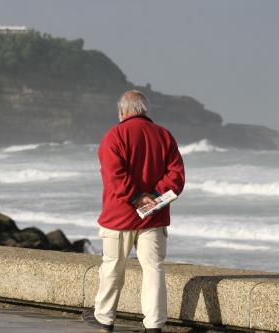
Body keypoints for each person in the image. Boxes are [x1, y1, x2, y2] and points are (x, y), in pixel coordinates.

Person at [82, 90, 185, 333]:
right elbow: (176, 176)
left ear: (123, 111)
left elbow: (114, 176)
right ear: (144, 110)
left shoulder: (114, 135)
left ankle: (105, 319)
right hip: (155, 217)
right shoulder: (164, 135)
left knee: (112, 267)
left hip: (119, 217)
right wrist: (154, 197)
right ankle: (154, 325)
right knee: (154, 270)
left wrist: (138, 198)